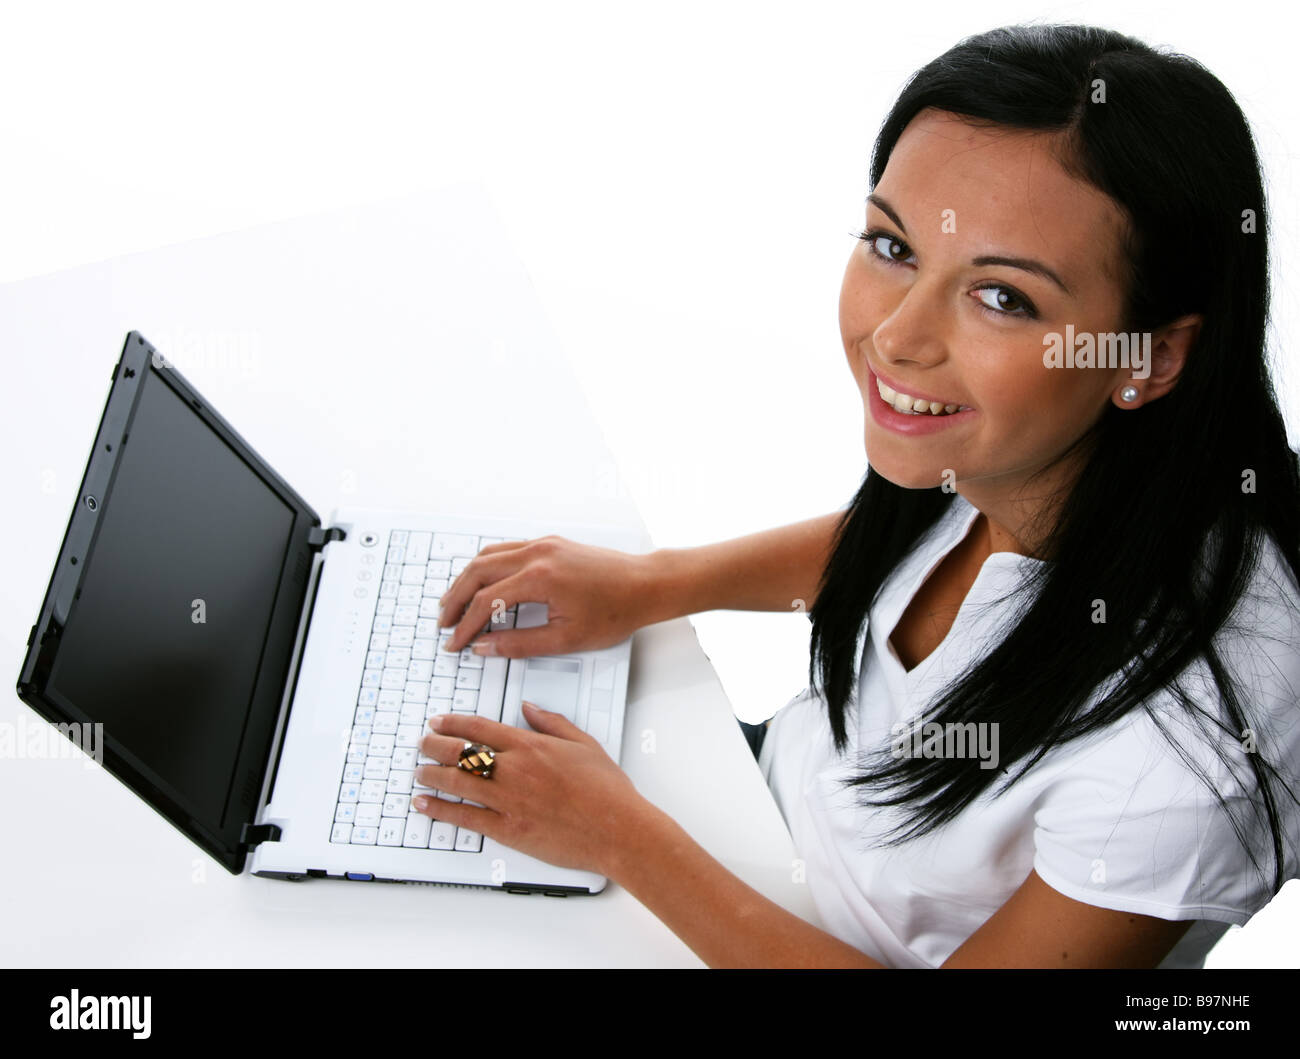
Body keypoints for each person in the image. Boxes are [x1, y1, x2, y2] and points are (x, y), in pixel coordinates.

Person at [412, 23, 1300, 968]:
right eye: (892, 245)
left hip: (784, 924)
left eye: (1003, 298)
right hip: (755, 814)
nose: (898, 338)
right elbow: (897, 547)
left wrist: (619, 838)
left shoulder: (1184, 761)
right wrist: (649, 583)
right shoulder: (1020, 450)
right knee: (418, 773)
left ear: (1152, 355)